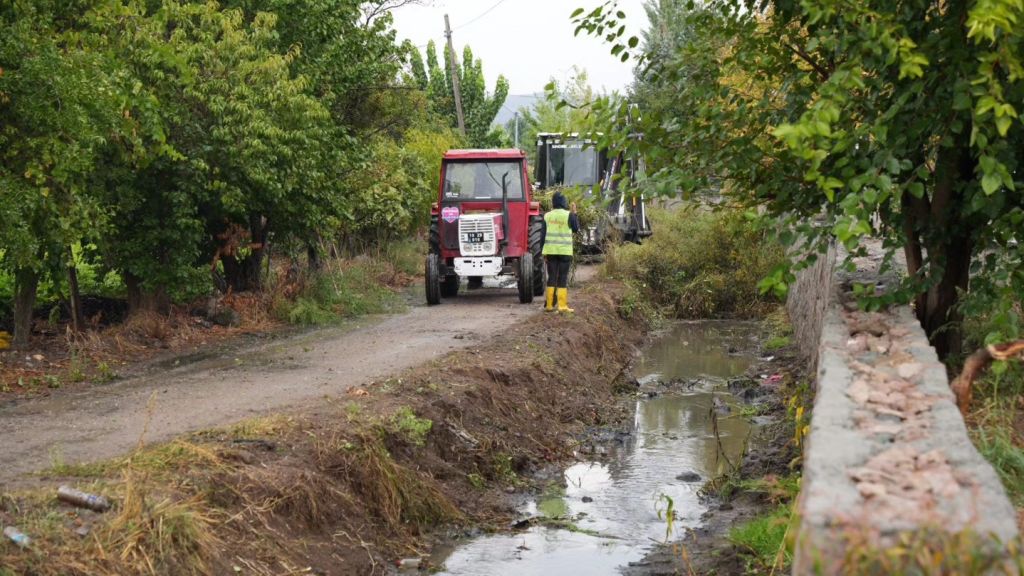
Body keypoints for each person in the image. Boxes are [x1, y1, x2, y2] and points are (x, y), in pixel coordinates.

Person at [541, 191, 580, 313]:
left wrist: (543, 253)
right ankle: (562, 306)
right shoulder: (569, 215)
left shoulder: (547, 216)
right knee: (562, 277)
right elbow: (575, 229)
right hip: (564, 251)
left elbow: (542, 236)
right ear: (564, 202)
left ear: (553, 202)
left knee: (551, 277)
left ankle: (549, 306)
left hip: (550, 251)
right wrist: (574, 213)